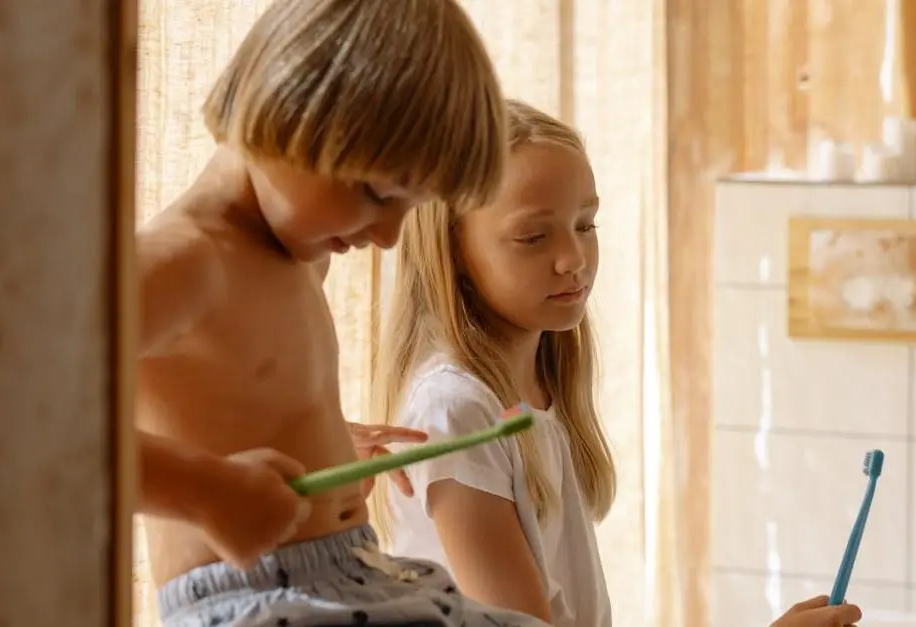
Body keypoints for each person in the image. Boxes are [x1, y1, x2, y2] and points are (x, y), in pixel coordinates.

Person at [370, 100, 865, 627]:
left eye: (586, 225)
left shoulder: (537, 388)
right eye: (534, 237)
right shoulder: (455, 412)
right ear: (453, 254)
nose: (574, 258)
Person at [136, 1, 549, 625]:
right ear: (289, 107)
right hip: (265, 601)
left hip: (359, 574)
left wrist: (325, 451)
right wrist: (204, 492)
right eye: (379, 195)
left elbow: (244, 392)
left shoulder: (297, 255)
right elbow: (27, 419)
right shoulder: (185, 260)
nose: (386, 236)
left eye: (408, 208)